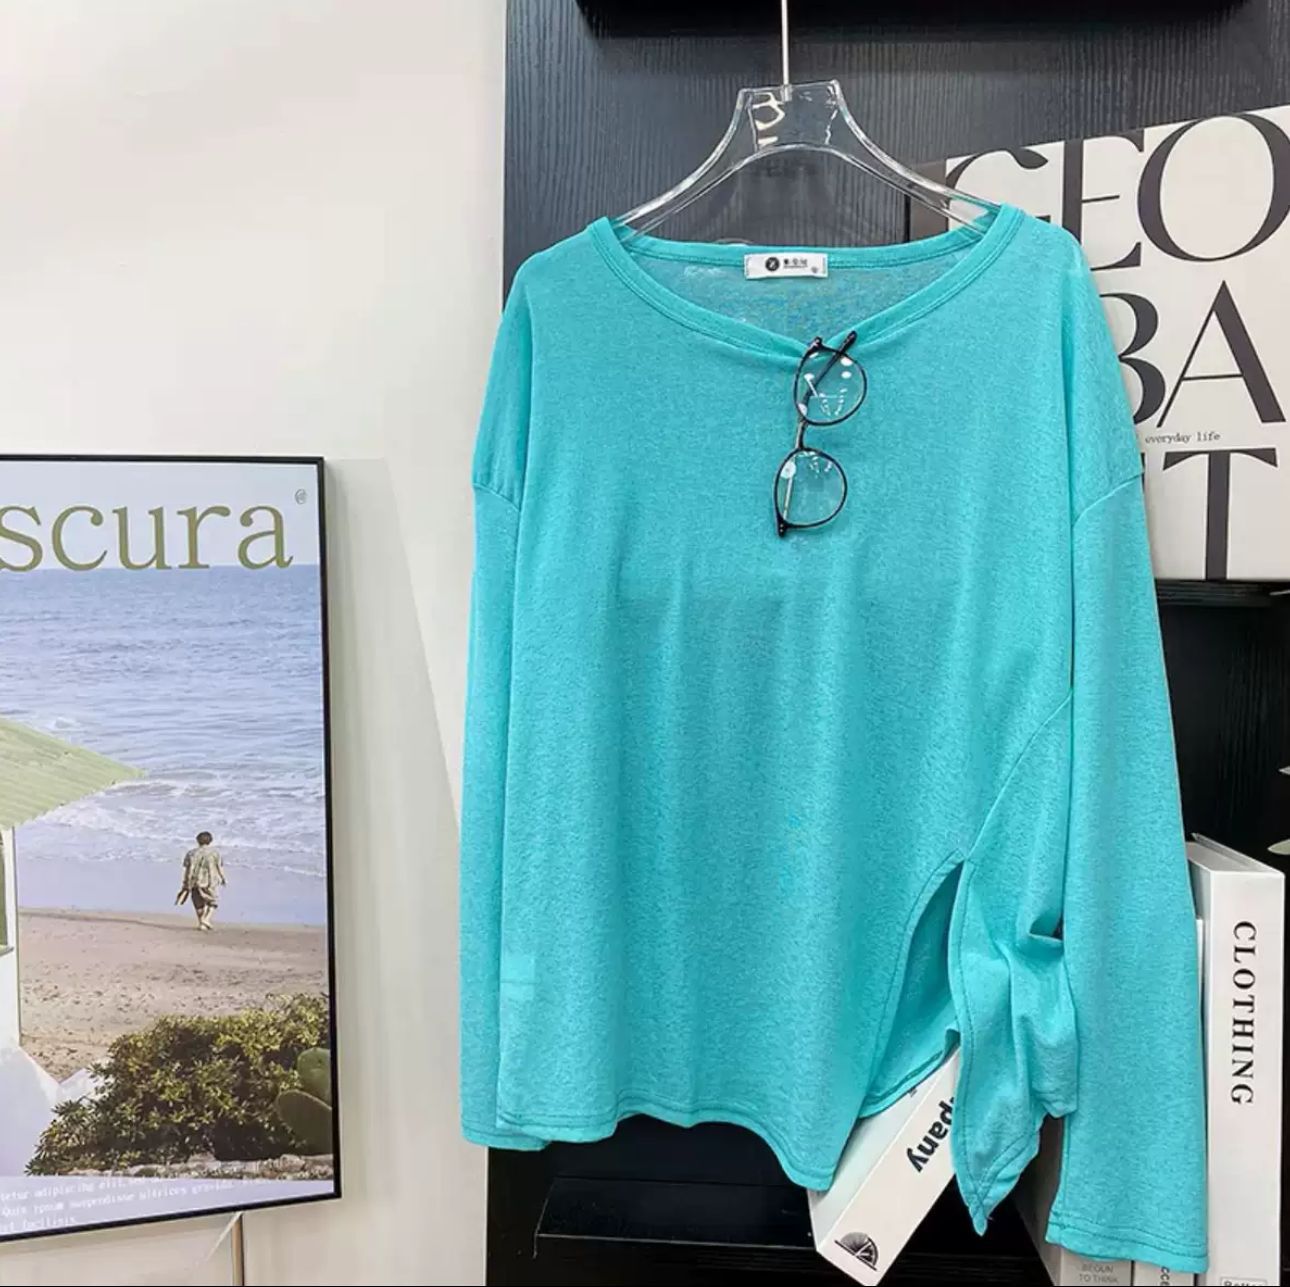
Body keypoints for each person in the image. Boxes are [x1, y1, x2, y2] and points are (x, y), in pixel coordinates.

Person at [177, 831, 226, 931]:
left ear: (197, 841)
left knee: (198, 903)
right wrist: (223, 878)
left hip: (194, 881)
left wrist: (185, 882)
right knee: (213, 901)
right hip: (209, 881)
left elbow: (187, 869)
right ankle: (206, 919)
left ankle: (201, 923)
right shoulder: (215, 853)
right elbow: (219, 867)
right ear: (210, 841)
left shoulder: (191, 853)